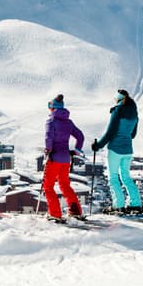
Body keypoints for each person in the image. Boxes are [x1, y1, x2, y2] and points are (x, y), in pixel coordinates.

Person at [92, 89, 143, 214]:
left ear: (118, 100)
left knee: (113, 178)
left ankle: (118, 205)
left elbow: (110, 133)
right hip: (128, 150)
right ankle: (135, 204)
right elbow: (133, 134)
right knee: (126, 177)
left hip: (115, 149)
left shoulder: (117, 111)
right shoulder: (135, 114)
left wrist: (98, 145)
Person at [43, 93, 85, 221]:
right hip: (66, 159)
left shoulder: (51, 121)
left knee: (48, 186)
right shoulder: (68, 122)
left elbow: (48, 138)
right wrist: (77, 150)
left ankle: (55, 214)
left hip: (54, 158)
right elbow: (80, 136)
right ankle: (76, 211)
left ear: (52, 107)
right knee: (65, 185)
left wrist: (48, 150)